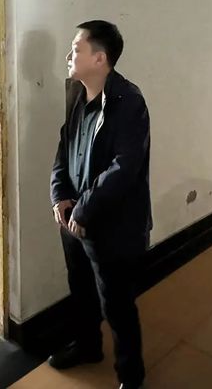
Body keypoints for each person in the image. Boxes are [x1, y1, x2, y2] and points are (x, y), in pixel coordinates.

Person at [48, 21, 151, 389]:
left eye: (76, 48)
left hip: (110, 223)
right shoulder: (77, 94)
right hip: (73, 219)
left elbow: (124, 168)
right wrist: (59, 195)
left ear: (99, 58)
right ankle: (88, 346)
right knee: (81, 291)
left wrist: (83, 209)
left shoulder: (128, 101)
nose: (68, 55)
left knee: (117, 305)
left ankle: (131, 376)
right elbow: (64, 150)